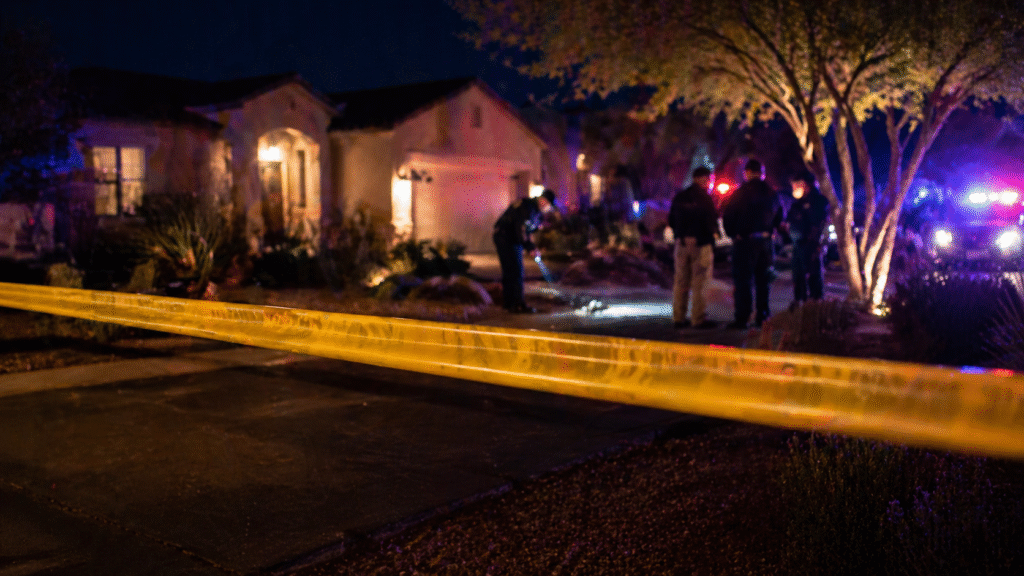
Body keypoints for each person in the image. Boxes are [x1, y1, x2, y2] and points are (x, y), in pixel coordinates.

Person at [721, 159, 784, 329]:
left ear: (746, 173)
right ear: (762, 174)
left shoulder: (740, 193)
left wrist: (734, 234)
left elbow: (728, 216)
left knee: (743, 281)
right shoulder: (772, 193)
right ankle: (762, 315)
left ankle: (742, 318)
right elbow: (780, 217)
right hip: (764, 243)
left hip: (745, 242)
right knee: (763, 281)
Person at [668, 166, 719, 329]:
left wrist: (681, 234)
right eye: (709, 180)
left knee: (681, 281)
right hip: (701, 244)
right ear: (704, 179)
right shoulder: (705, 199)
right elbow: (711, 222)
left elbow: (671, 219)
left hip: (681, 244)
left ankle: (678, 317)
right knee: (700, 282)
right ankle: (697, 318)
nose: (710, 184)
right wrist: (713, 236)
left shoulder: (680, 197)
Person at [493, 189, 557, 313]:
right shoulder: (527, 207)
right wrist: (530, 247)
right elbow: (521, 230)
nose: (549, 209)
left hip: (508, 238)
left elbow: (527, 231)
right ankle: (517, 305)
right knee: (515, 270)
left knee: (511, 270)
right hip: (505, 238)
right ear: (543, 201)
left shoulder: (533, 209)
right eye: (549, 205)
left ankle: (509, 303)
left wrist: (532, 246)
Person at [782, 172, 830, 305]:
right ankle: (799, 301)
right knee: (798, 276)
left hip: (810, 245)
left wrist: (814, 243)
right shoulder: (798, 203)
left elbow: (819, 223)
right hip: (798, 245)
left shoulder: (818, 201)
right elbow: (791, 220)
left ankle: (815, 304)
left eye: (796, 185)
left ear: (805, 185)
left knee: (813, 275)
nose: (794, 189)